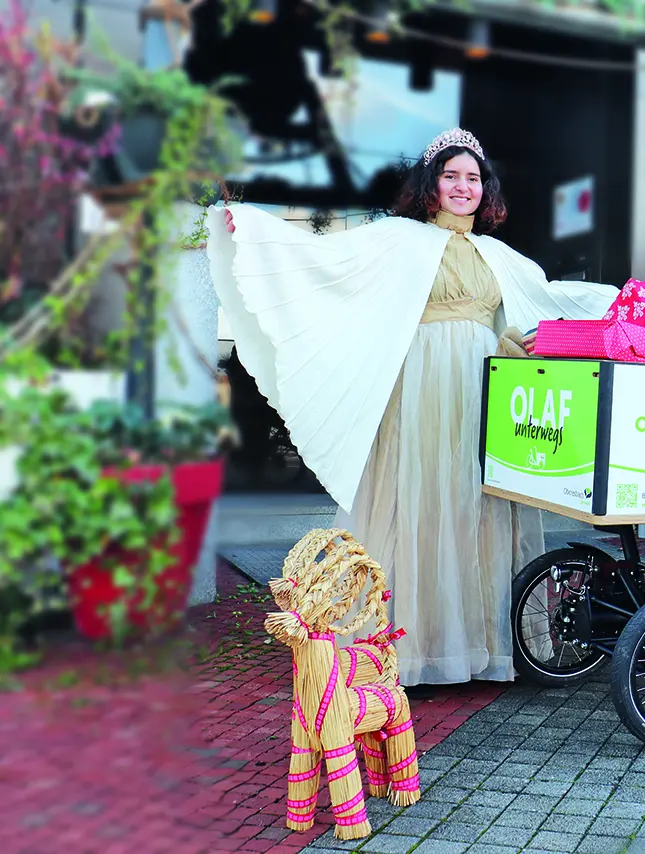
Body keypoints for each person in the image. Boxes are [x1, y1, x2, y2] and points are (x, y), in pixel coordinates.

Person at [206, 128, 617, 689]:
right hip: (422, 384)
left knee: (477, 503)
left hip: (483, 387)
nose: (462, 186)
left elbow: (550, 299)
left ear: (485, 190)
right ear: (431, 184)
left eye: (473, 178)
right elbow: (328, 263)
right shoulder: (400, 238)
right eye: (451, 175)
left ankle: (478, 642)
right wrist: (254, 230)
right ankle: (406, 650)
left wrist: (625, 302)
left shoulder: (497, 254)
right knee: (417, 498)